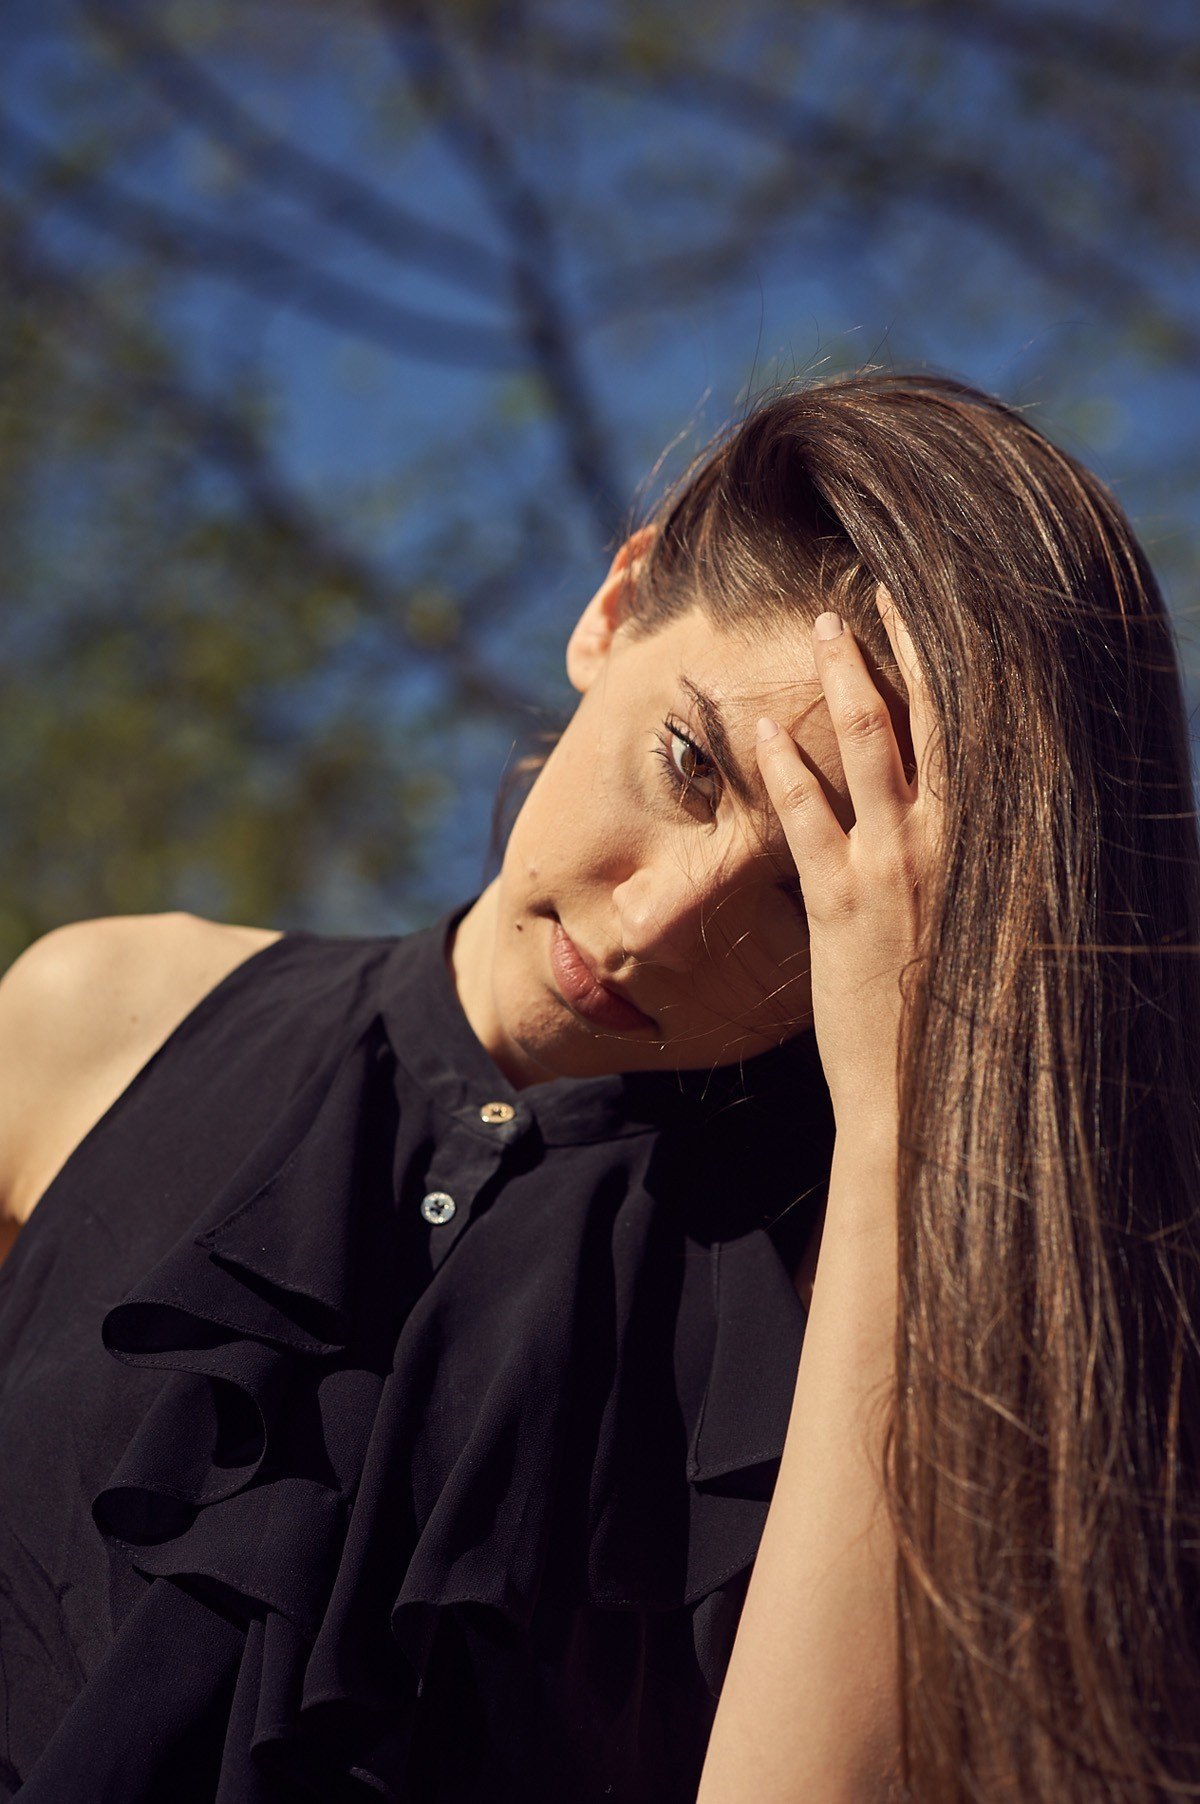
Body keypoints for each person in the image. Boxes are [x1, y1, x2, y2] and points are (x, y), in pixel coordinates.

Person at [0, 371, 1195, 1803]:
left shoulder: (848, 1308)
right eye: (690, 763)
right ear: (614, 606)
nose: (660, 923)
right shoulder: (97, 1019)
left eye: (808, 898)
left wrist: (893, 1140)